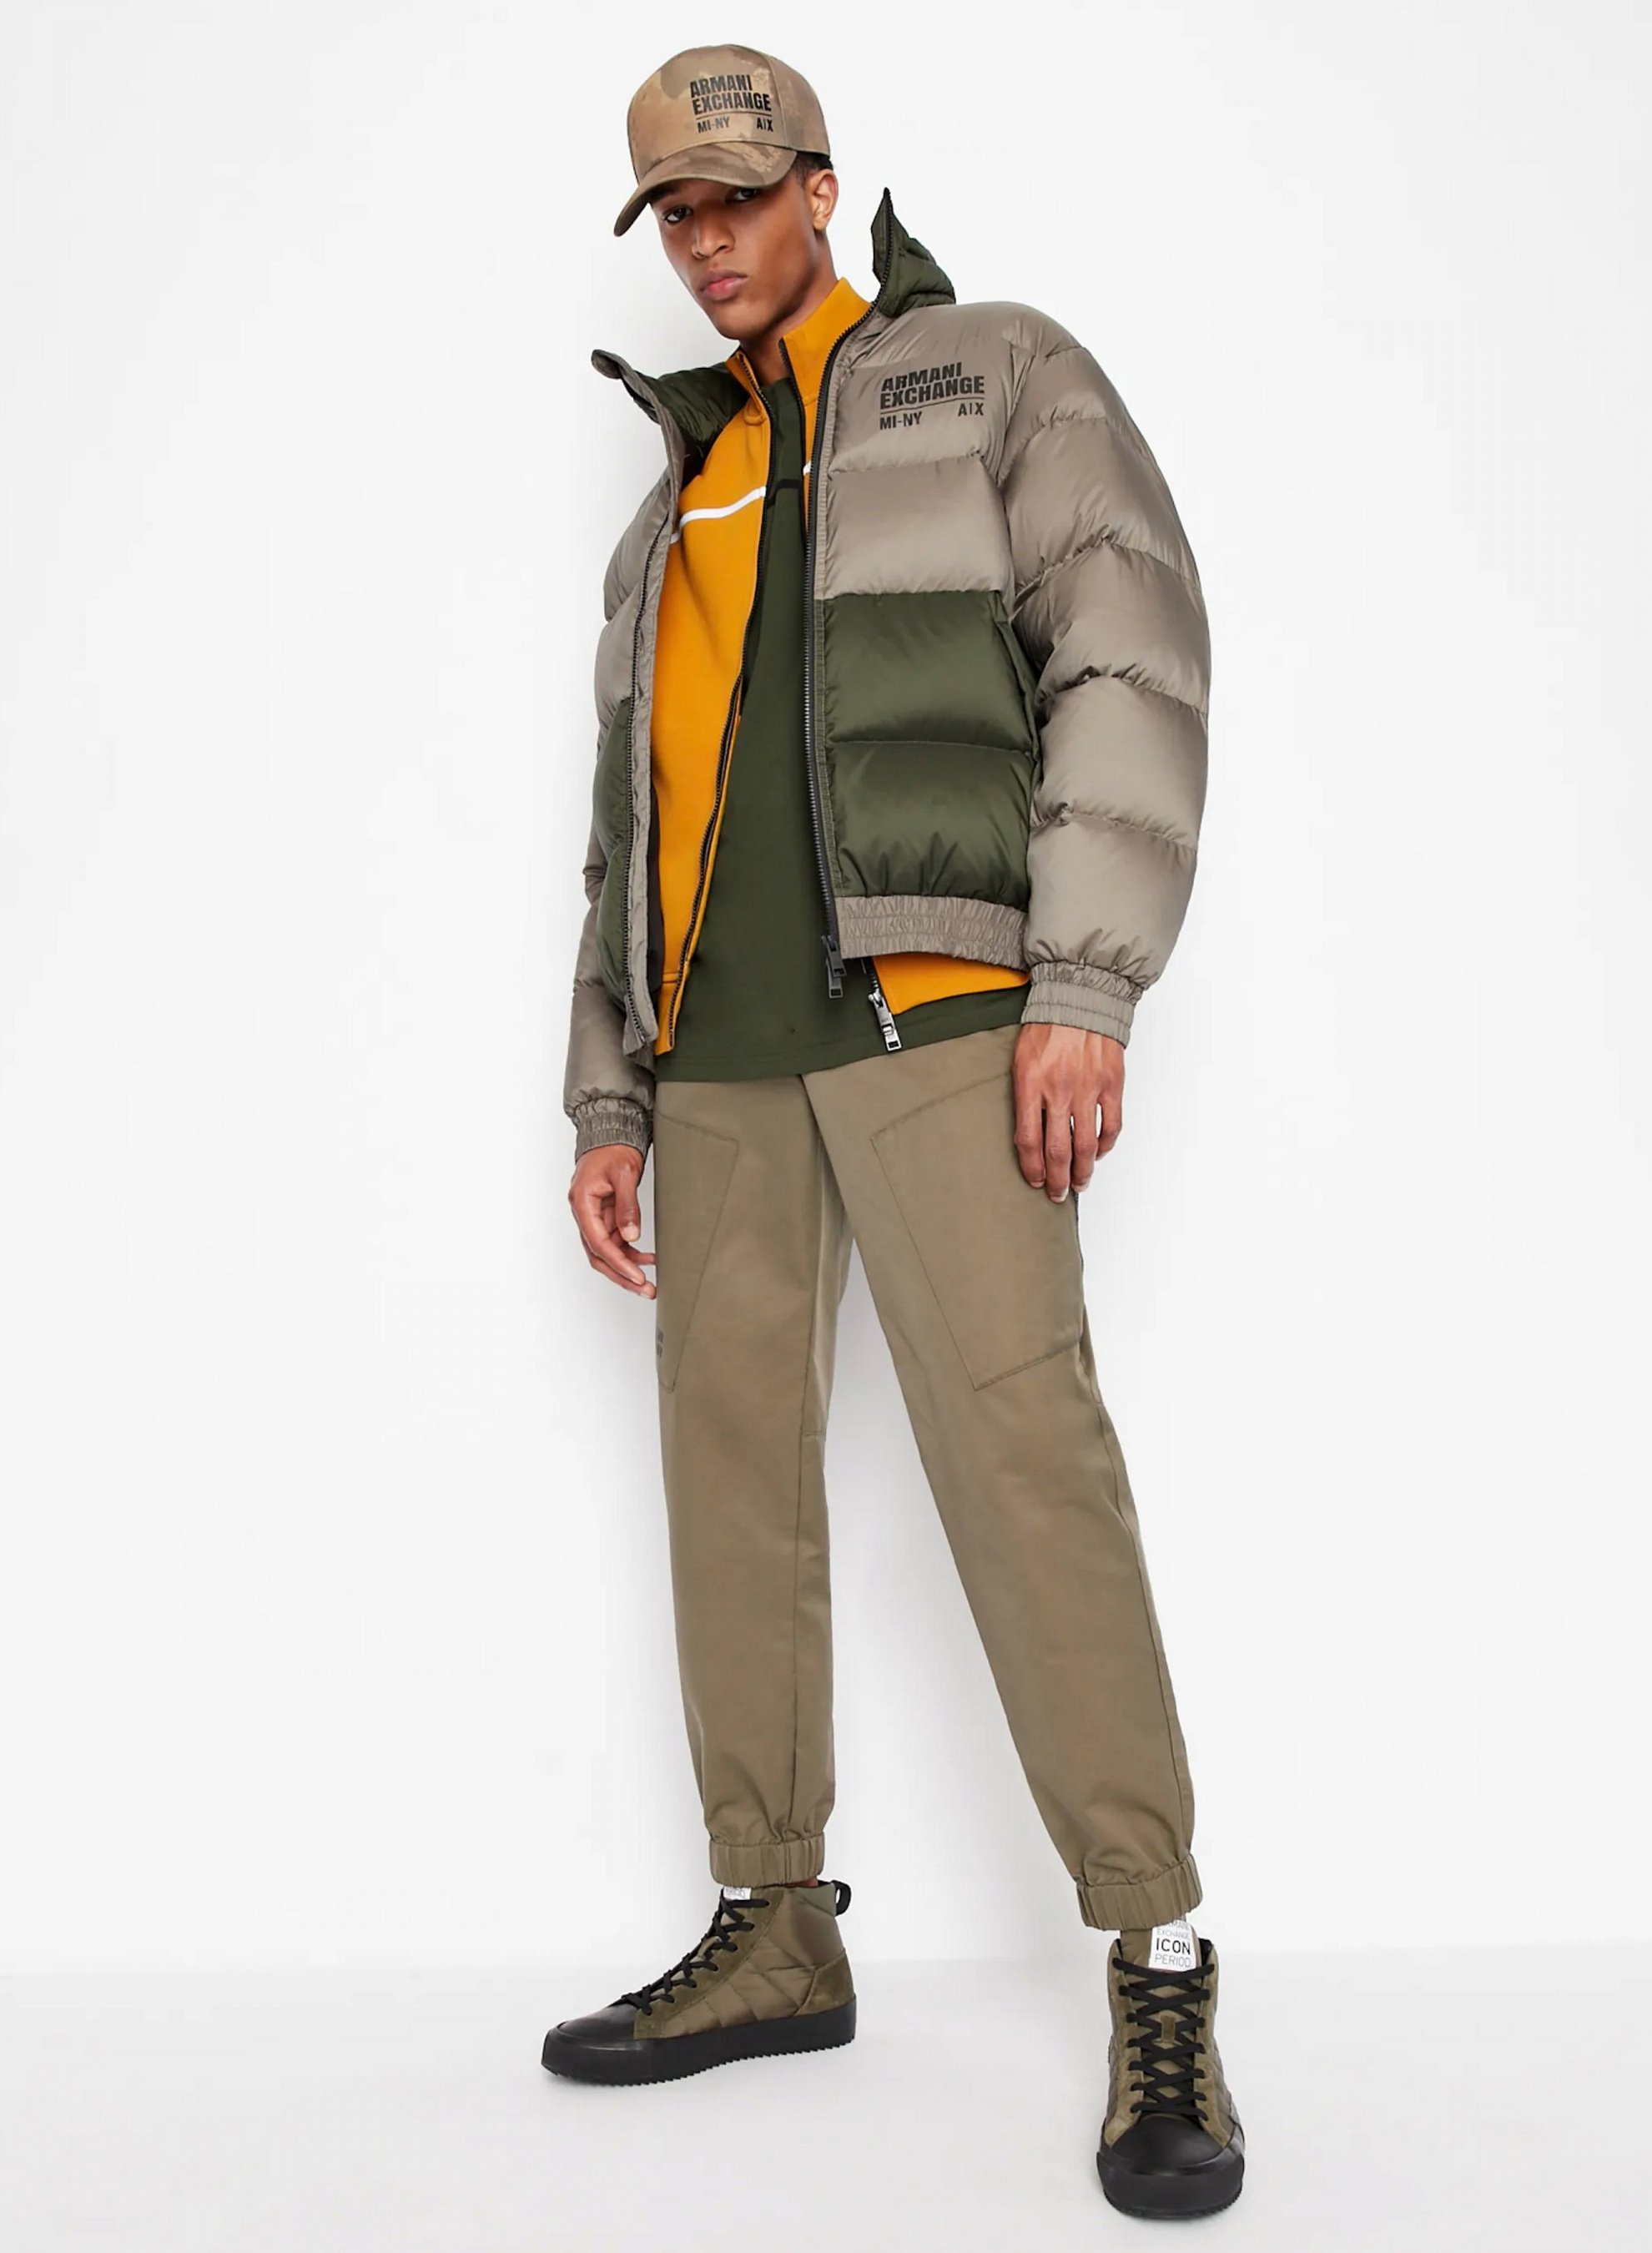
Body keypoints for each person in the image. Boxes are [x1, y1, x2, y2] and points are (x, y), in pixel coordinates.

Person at [545, 43, 1242, 2220]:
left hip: (939, 1017)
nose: (708, 242)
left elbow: (1127, 648)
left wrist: (1083, 985)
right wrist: (608, 1085)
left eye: (738, 198)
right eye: (676, 213)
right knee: (729, 1485)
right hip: (717, 1060)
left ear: (821, 190)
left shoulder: (988, 373)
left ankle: (1158, 1957)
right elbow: (628, 819)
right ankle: (776, 1922)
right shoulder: (679, 490)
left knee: (1024, 1464)